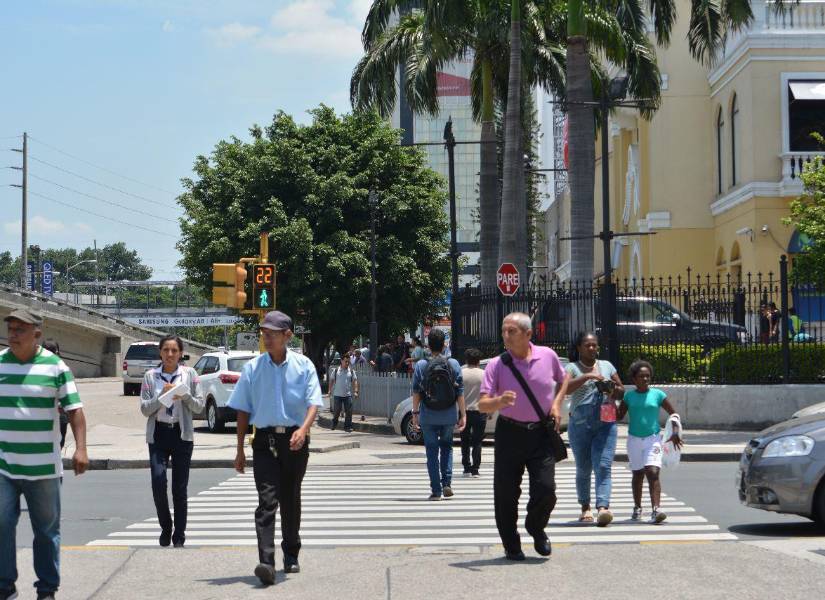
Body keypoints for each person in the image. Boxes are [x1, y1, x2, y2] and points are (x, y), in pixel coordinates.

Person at [228, 311, 323, 586]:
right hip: (264, 443)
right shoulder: (253, 368)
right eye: (264, 333)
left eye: (272, 333)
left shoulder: (303, 366)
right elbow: (243, 409)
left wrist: (303, 430)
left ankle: (291, 553)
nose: (266, 338)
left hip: (294, 441)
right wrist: (239, 449)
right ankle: (266, 563)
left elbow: (313, 402)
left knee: (290, 499)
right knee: (267, 501)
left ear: (287, 335)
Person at [1, 309, 88, 600]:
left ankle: (47, 588)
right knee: (1, 524)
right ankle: (4, 584)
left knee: (46, 531)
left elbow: (74, 410)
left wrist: (81, 448)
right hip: (4, 465)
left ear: (36, 334)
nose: (13, 334)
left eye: (20, 329)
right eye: (11, 329)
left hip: (43, 469)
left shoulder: (55, 367)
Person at [478, 312, 569, 560]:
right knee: (506, 493)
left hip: (541, 433)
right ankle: (511, 544)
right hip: (509, 433)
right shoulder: (497, 364)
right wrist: (499, 401)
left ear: (528, 334)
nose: (506, 336)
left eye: (512, 331)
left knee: (546, 488)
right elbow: (483, 404)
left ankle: (536, 527)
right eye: (503, 331)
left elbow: (564, 380)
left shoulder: (547, 356)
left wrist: (556, 405)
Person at [139, 334, 204, 548]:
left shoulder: (190, 374)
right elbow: (144, 409)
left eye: (174, 350)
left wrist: (184, 395)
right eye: (166, 350)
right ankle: (166, 526)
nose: (170, 354)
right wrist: (162, 397)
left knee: (179, 487)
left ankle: (179, 534)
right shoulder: (151, 376)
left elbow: (199, 406)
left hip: (181, 434)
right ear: (160, 352)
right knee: (158, 482)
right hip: (158, 434)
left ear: (180, 353)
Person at [565, 332, 624, 527]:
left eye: (594, 345)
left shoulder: (607, 366)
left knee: (604, 465)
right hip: (580, 424)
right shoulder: (571, 368)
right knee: (584, 468)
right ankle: (585, 507)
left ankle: (603, 507)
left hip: (606, 421)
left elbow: (621, 391)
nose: (592, 348)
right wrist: (587, 376)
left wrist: (611, 388)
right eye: (587, 345)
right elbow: (564, 388)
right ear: (579, 348)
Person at [618, 360, 683, 524]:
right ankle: (637, 507)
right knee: (638, 474)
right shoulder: (629, 396)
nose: (645, 379)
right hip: (634, 440)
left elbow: (674, 414)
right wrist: (609, 399)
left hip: (653, 439)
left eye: (648, 376)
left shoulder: (658, 395)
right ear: (634, 379)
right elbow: (618, 416)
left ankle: (656, 510)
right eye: (641, 376)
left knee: (653, 472)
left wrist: (675, 432)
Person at [411, 328, 466, 500]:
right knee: (447, 448)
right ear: (444, 346)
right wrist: (463, 414)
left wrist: (415, 413)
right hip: (449, 414)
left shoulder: (421, 365)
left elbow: (416, 392)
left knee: (431, 452)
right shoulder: (453, 364)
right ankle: (447, 483)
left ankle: (436, 490)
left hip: (428, 415)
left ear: (428, 346)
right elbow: (460, 392)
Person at [460, 348, 487, 478]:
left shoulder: (461, 373)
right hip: (480, 411)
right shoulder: (484, 374)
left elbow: (457, 394)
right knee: (477, 441)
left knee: (464, 440)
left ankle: (466, 468)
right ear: (479, 361)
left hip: (463, 411)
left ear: (466, 360)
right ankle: (475, 469)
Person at [42, 339, 68, 451]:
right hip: (45, 416)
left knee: (58, 445)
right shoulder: (36, 370)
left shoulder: (61, 369)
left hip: (59, 414)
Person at [328, 354, 359, 432]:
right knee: (337, 411)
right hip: (337, 395)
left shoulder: (351, 371)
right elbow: (331, 380)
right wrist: (329, 390)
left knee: (349, 411)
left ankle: (347, 427)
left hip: (347, 395)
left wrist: (356, 391)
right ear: (341, 361)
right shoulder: (336, 371)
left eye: (348, 362)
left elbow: (355, 381)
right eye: (346, 361)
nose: (347, 363)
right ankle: (334, 423)